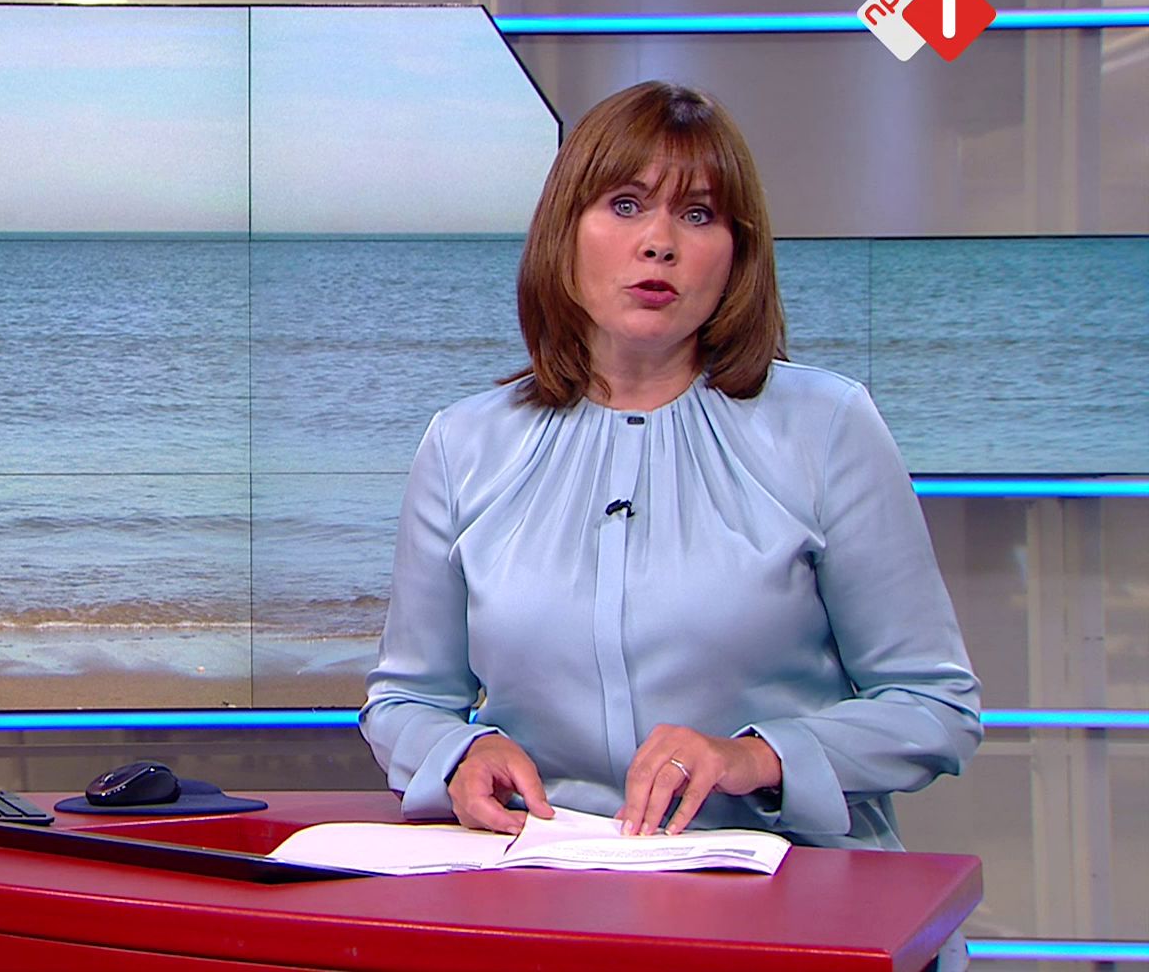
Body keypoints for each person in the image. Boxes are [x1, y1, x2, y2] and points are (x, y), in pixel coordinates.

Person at [361, 81, 980, 862]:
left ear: (737, 252)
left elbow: (933, 706)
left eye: (698, 214)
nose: (659, 242)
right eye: (625, 205)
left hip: (781, 880)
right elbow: (407, 700)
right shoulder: (464, 444)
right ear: (563, 231)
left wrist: (758, 756)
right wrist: (459, 754)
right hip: (548, 879)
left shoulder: (827, 427)